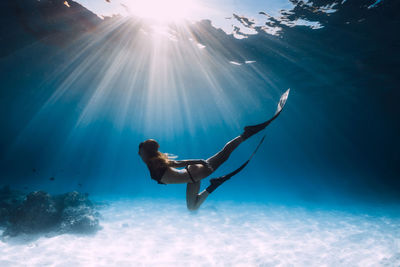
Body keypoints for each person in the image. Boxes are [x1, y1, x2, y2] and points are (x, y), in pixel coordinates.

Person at [138, 89, 289, 211]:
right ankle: (214, 184)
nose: (139, 154)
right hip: (192, 177)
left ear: (146, 152)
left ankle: (246, 134)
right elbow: (177, 165)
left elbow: (178, 163)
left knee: (224, 154)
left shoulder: (154, 162)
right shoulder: (153, 161)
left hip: (195, 172)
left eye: (140, 152)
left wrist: (200, 161)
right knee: (192, 208)